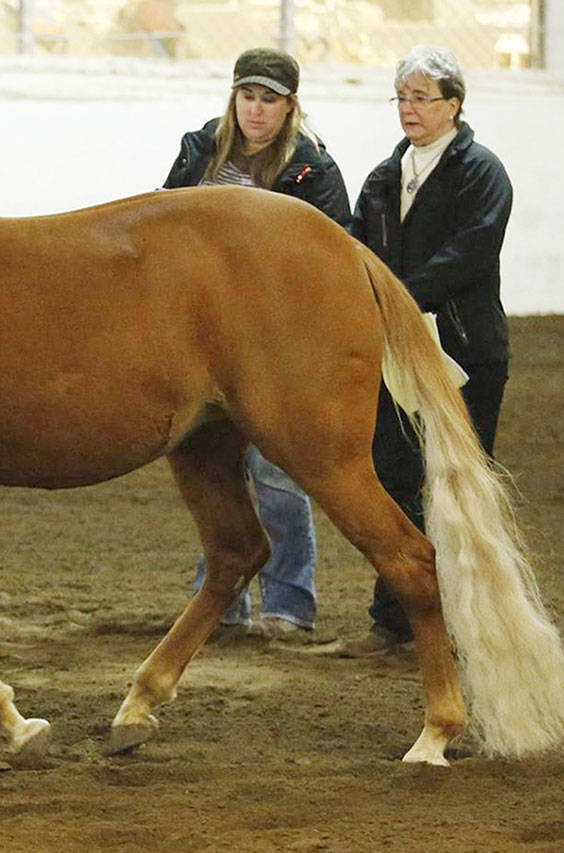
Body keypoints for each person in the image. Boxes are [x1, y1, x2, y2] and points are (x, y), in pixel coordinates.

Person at [164, 47, 351, 639]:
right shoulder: (199, 149)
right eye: (248, 96)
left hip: (275, 346)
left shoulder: (313, 170)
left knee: (277, 472)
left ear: (289, 105)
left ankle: (289, 604)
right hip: (203, 343)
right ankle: (220, 600)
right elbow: (161, 224)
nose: (256, 110)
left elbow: (335, 254)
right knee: (214, 471)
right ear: (234, 97)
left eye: (269, 99)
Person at [340, 45, 513, 656]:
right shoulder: (386, 177)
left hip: (465, 351)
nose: (409, 109)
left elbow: (470, 253)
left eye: (422, 98)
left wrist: (398, 298)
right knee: (393, 478)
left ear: (454, 105)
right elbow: (355, 249)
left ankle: (468, 624)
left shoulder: (481, 171)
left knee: (460, 484)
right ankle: (395, 619)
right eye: (403, 98)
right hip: (397, 354)